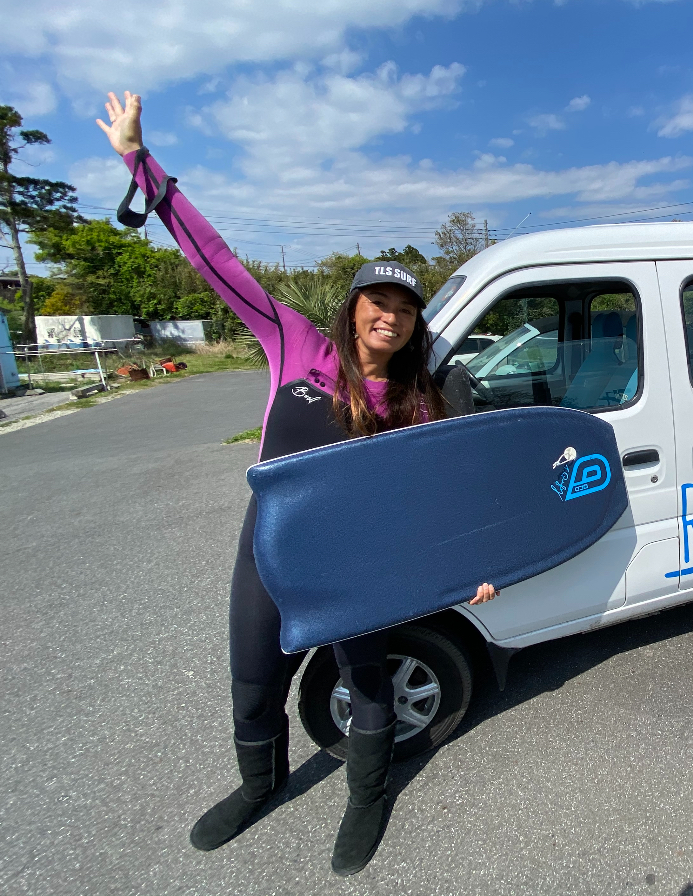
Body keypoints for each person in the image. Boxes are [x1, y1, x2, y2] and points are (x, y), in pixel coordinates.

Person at [97, 91, 497, 876]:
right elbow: (215, 261)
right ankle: (260, 783)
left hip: (359, 567)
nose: (391, 316)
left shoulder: (417, 403)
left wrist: (467, 569)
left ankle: (367, 792)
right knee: (252, 680)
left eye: (405, 309)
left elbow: (434, 501)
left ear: (416, 326)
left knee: (368, 681)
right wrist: (139, 162)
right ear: (353, 312)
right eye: (378, 302)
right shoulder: (294, 346)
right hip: (271, 555)